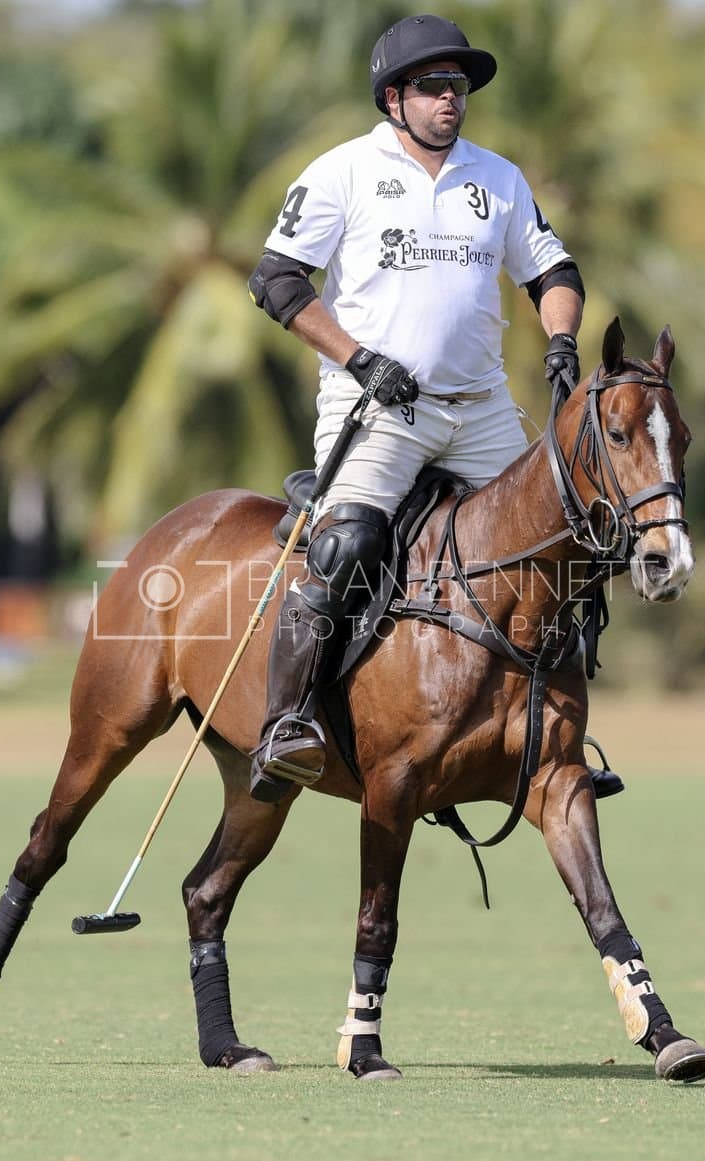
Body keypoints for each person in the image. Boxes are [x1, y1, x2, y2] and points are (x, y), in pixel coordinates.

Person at [247, 14, 611, 802]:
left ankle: (560, 730)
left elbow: (554, 271)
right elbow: (276, 282)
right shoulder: (342, 172)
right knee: (344, 547)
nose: (452, 100)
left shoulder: (499, 180)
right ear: (392, 98)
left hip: (478, 405)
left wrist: (559, 341)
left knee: (566, 532)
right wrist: (360, 360)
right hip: (377, 404)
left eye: (460, 87)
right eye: (434, 87)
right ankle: (288, 724)